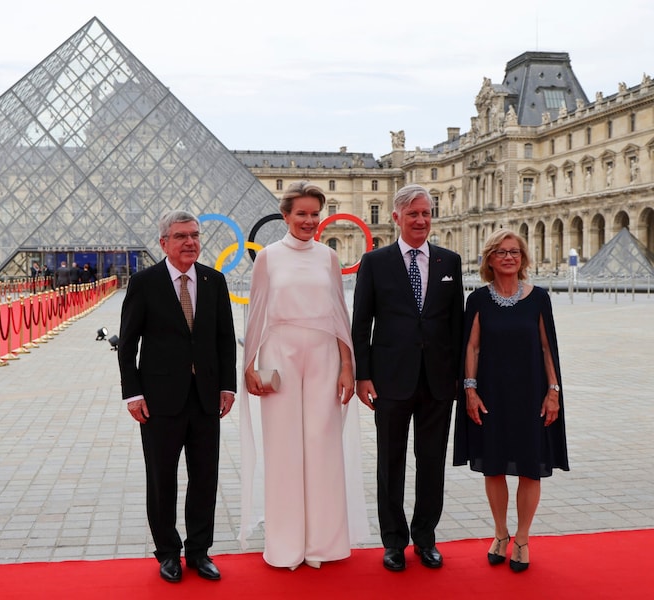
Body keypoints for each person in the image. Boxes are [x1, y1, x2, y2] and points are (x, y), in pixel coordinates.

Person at [239, 180, 368, 570]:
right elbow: (256, 313)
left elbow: (338, 315)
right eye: (302, 214)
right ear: (285, 215)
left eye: (315, 214)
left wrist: (348, 366)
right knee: (284, 451)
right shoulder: (268, 258)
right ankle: (285, 545)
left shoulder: (328, 258)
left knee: (323, 448)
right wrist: (249, 368)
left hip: (324, 356)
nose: (310, 221)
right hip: (280, 356)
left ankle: (323, 545)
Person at [118, 210, 236, 583]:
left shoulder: (213, 280)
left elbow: (224, 339)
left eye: (195, 235)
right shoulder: (144, 282)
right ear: (163, 243)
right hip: (159, 400)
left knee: (204, 478)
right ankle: (168, 552)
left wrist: (227, 386)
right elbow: (127, 344)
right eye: (181, 236)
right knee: (161, 479)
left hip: (205, 399)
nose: (190, 242)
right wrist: (133, 394)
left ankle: (199, 551)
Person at [352, 183, 464, 572]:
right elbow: (361, 323)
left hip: (438, 380)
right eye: (413, 213)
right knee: (391, 462)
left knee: (431, 461)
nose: (421, 220)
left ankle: (426, 538)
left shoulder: (450, 261)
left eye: (426, 213)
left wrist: (460, 378)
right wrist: (361, 377)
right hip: (390, 379)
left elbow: (457, 325)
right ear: (396, 217)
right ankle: (394, 542)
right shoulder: (375, 262)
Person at [453, 230, 568, 572]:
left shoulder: (539, 298)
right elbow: (471, 347)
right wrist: (470, 391)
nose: (509, 257)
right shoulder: (477, 300)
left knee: (530, 468)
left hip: (532, 392)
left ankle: (522, 538)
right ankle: (500, 533)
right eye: (501, 252)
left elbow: (548, 348)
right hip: (491, 393)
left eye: (515, 252)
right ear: (489, 258)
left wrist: (553, 392)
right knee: (494, 466)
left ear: (523, 258)